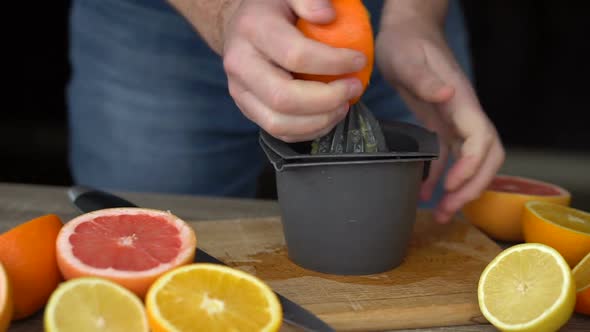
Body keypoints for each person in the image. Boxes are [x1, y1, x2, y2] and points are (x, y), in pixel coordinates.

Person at [67, 0, 505, 224]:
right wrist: (224, 10)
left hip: (374, 30)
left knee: (425, 242)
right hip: (156, 25)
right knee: (139, 245)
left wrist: (414, 16)